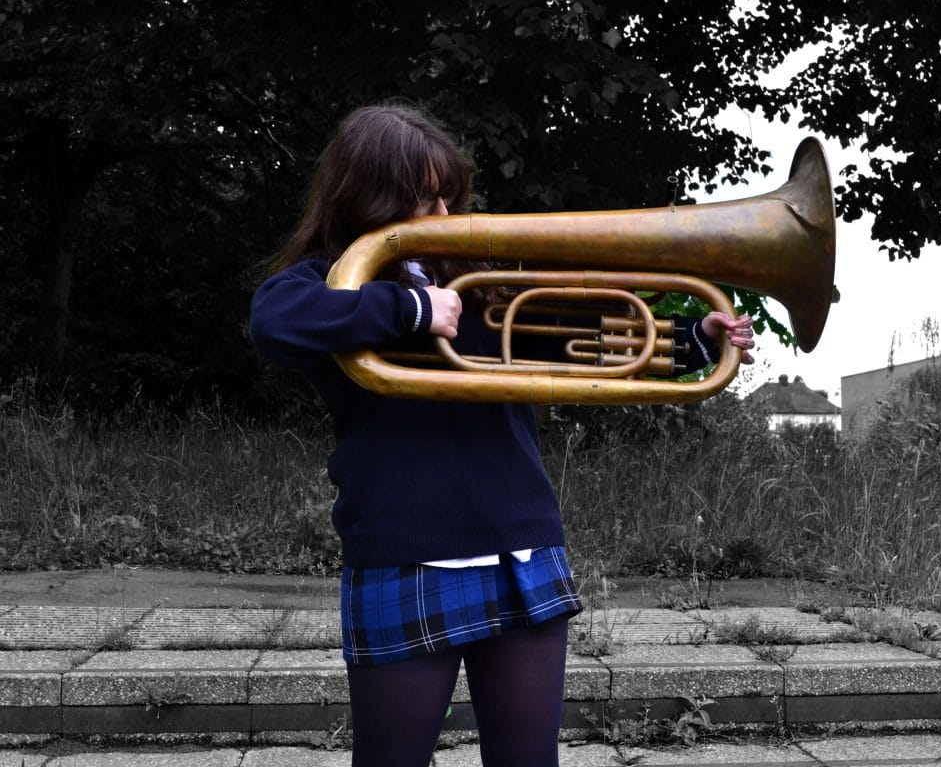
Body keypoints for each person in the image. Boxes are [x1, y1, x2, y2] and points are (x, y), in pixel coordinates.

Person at [249, 102, 755, 767]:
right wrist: (412, 310)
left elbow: (577, 343)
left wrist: (695, 341)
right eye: (424, 199)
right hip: (406, 553)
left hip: (522, 545)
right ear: (369, 198)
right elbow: (274, 320)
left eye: (447, 198)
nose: (444, 216)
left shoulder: (473, 278)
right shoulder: (334, 278)